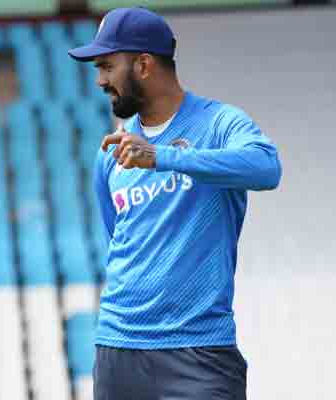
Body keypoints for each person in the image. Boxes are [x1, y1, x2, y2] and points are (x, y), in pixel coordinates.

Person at [68, 7, 281, 400]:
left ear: (144, 65)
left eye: (107, 66)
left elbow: (266, 167)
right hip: (117, 350)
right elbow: (118, 237)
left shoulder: (219, 123)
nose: (100, 80)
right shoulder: (111, 151)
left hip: (198, 352)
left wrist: (163, 156)